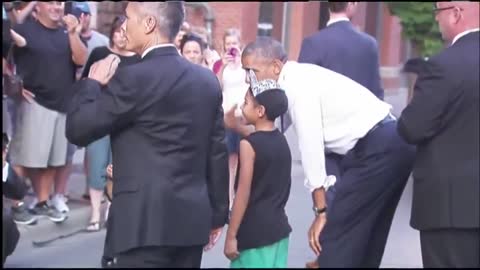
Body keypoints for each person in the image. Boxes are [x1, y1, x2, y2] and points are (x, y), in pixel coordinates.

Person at [225, 37, 415, 268]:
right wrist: (235, 126)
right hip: (388, 144)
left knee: (338, 234)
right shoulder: (294, 80)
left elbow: (310, 145)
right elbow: (269, 135)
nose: (248, 79)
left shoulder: (296, 85)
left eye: (252, 71)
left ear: (275, 66)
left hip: (379, 146)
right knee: (366, 238)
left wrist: (321, 211)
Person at [65, 2, 229, 268]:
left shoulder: (133, 78)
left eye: (128, 18)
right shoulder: (206, 81)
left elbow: (78, 129)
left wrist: (92, 84)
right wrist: (218, 215)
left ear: (149, 24)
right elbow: (217, 153)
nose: (123, 25)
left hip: (141, 226)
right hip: (190, 223)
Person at [397, 2, 479, 268]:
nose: (436, 20)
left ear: (456, 14)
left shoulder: (443, 66)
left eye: (438, 12)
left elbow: (411, 127)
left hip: (450, 211)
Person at [9, 1, 87, 222]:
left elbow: (81, 60)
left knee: (52, 160)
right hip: (35, 102)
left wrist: (73, 33)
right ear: (38, 7)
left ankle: (42, 202)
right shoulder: (25, 30)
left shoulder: (67, 31)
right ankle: (17, 205)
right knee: (23, 158)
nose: (57, 7)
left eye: (59, 2)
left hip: (62, 103)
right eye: (50, 2)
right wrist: (13, 81)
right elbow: (5, 49)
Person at [80, 15, 140, 233]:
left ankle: (113, 210)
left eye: (126, 31)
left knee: (118, 169)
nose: (121, 36)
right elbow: (86, 83)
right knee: (97, 165)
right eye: (118, 31)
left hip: (125, 123)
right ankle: (95, 213)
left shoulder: (138, 59)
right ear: (112, 33)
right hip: (99, 117)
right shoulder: (99, 54)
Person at [224, 79, 292, 268]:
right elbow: (261, 139)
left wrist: (231, 236)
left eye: (246, 103)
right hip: (278, 231)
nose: (242, 107)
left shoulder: (248, 145)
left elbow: (242, 194)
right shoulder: (280, 140)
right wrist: (235, 126)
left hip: (254, 234)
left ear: (260, 111)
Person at [298, 2, 384, 100]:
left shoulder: (312, 43)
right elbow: (377, 94)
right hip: (361, 113)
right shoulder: (369, 44)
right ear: (351, 5)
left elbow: (302, 90)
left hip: (325, 113)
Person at [213, 28, 249, 208]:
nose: (231, 47)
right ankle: (230, 199)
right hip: (227, 115)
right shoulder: (221, 65)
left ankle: (242, 196)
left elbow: (251, 81)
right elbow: (216, 86)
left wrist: (242, 61)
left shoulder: (246, 63)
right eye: (228, 44)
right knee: (231, 159)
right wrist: (224, 65)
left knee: (245, 157)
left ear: (240, 44)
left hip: (243, 116)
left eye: (234, 43)